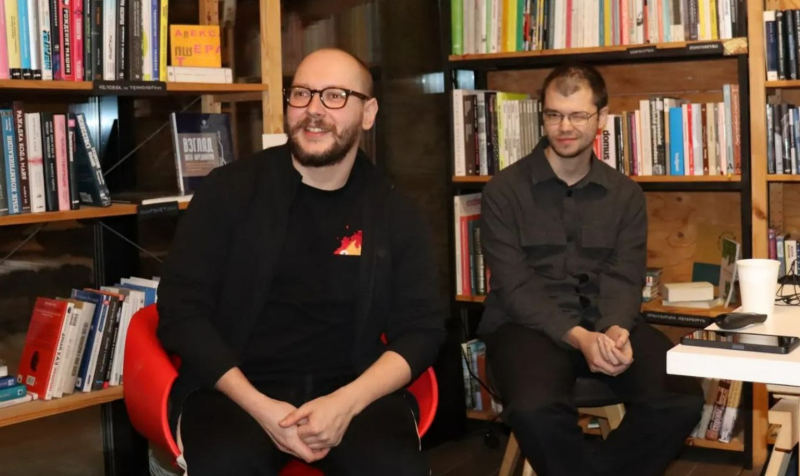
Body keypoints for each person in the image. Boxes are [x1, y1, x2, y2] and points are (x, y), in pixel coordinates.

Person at [155, 48, 446, 476]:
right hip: (235, 392)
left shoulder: (394, 210)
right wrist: (263, 409)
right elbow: (182, 311)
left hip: (352, 392)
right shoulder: (229, 191)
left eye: (334, 96)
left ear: (369, 113)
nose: (313, 110)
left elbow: (421, 329)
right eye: (302, 94)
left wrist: (345, 403)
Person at [477, 63, 705, 476]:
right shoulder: (503, 191)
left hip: (607, 321)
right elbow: (514, 286)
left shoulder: (625, 194)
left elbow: (625, 273)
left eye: (578, 115)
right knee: (534, 409)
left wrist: (616, 328)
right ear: (543, 115)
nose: (564, 127)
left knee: (682, 396)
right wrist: (580, 337)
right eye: (553, 114)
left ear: (601, 118)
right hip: (528, 327)